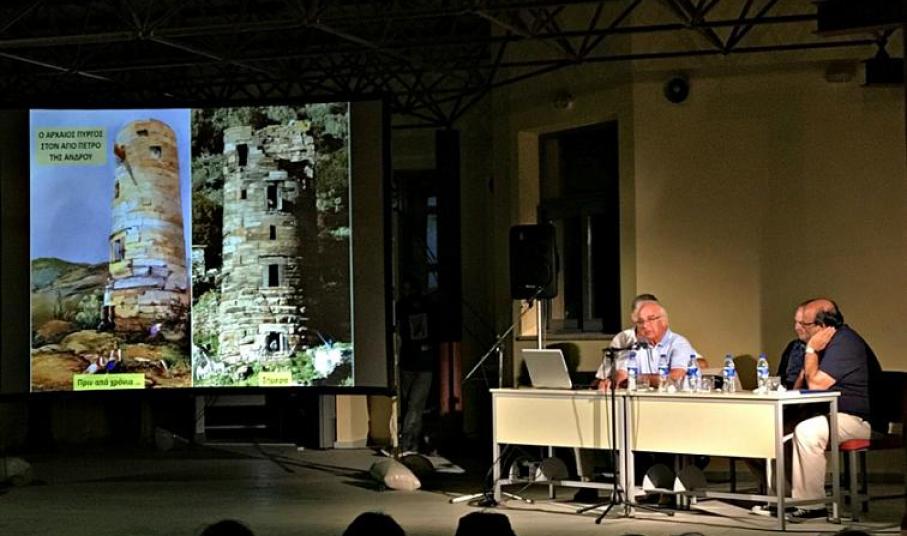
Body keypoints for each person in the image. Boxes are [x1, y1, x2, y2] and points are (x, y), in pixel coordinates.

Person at [786, 298, 882, 521]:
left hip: (859, 420)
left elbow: (816, 385)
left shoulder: (844, 343)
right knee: (779, 430)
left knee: (808, 431)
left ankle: (813, 505)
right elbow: (799, 388)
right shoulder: (815, 346)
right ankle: (784, 499)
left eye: (804, 324)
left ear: (823, 326)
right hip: (831, 414)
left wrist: (811, 350)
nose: (797, 328)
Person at [599, 301, 699, 390]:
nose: (645, 325)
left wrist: (640, 378)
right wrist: (612, 381)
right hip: (646, 400)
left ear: (664, 321)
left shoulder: (678, 343)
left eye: (651, 319)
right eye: (640, 322)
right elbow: (623, 374)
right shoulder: (637, 346)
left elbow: (675, 378)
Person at [396, 277, 436, 455]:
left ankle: (407, 442)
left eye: (409, 289)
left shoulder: (427, 306)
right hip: (409, 363)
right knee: (412, 406)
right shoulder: (402, 307)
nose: (407, 293)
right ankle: (412, 443)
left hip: (423, 364)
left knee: (414, 404)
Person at [776, 301, 810, 389]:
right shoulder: (793, 346)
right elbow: (780, 378)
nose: (796, 328)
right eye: (796, 322)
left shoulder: (831, 349)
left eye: (802, 323)